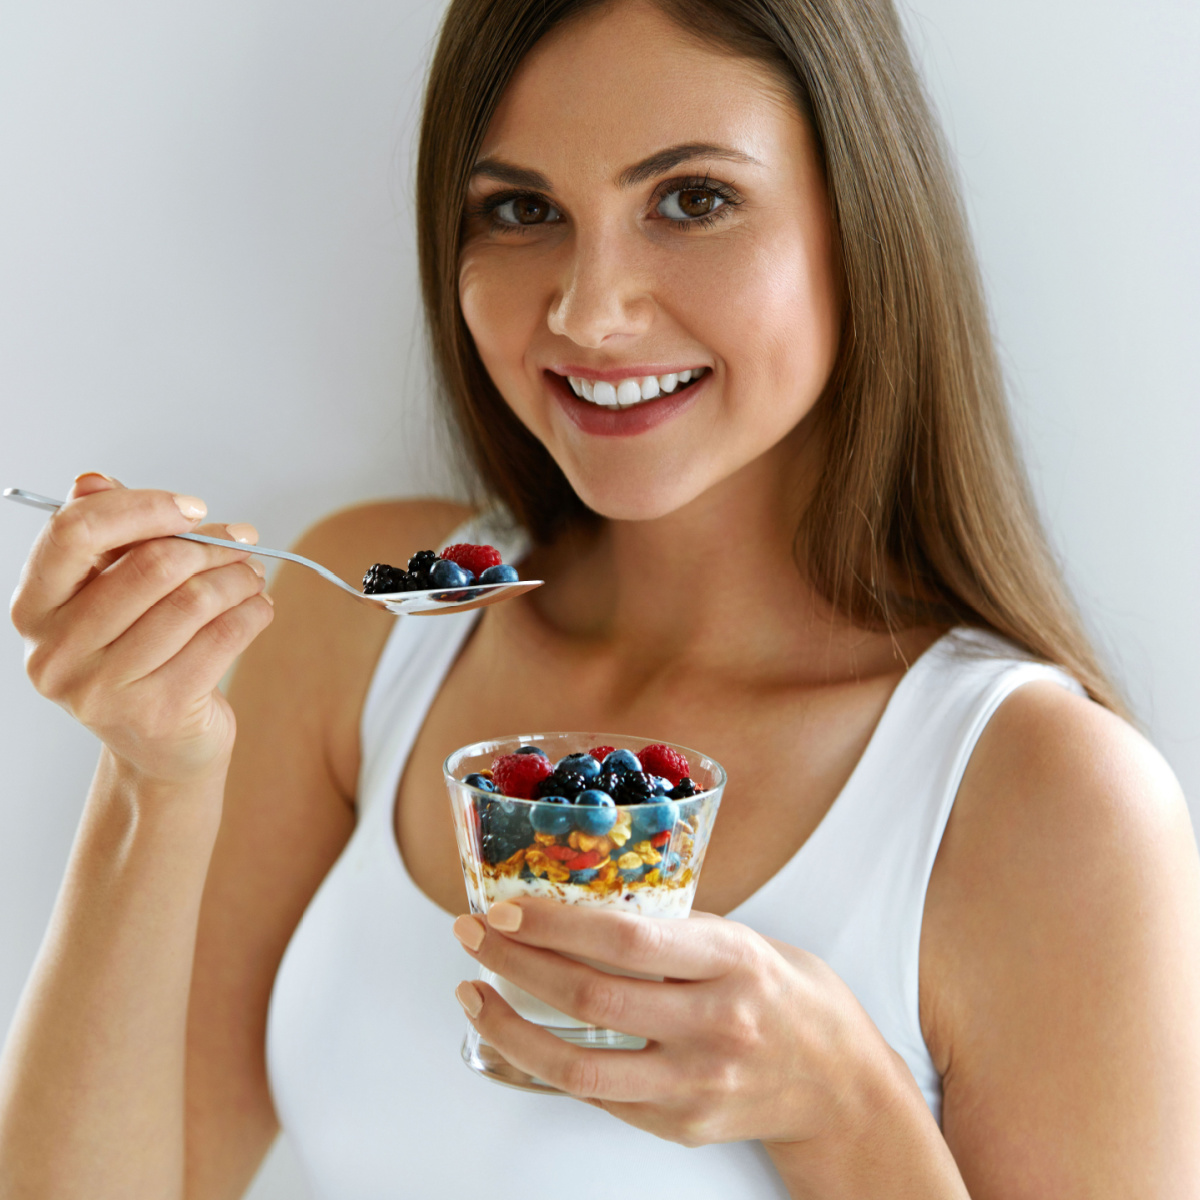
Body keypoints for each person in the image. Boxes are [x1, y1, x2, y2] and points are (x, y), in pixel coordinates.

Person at [2, 0, 1198, 1195]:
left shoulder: (1052, 806)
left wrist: (846, 1112)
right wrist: (154, 784)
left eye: (691, 200)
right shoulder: (365, 630)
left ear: (861, 217)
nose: (587, 311)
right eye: (522, 210)